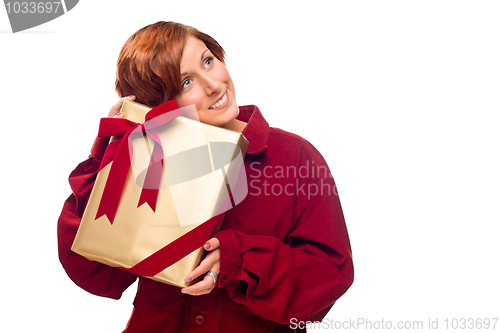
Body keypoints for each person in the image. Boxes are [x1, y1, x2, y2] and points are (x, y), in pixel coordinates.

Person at [58, 21, 354, 332]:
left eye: (208, 61)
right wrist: (108, 158)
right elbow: (96, 272)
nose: (214, 85)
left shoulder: (295, 157)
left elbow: (332, 275)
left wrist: (239, 261)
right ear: (157, 104)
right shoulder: (144, 160)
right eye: (186, 82)